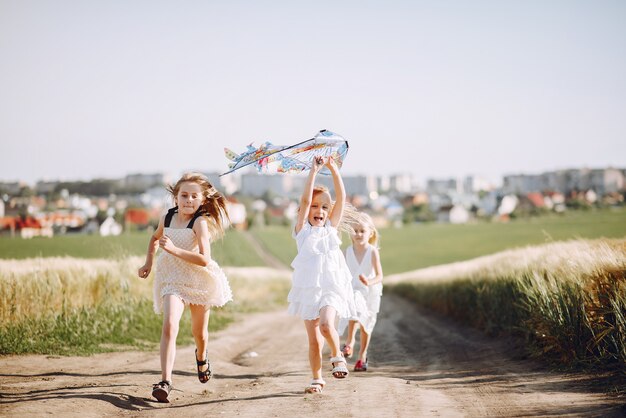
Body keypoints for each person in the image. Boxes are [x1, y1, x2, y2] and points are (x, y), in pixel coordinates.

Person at [138, 172, 232, 403]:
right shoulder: (167, 218)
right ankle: (165, 381)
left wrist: (173, 250)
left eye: (194, 196)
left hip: (198, 279)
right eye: (184, 195)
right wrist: (148, 262)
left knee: (199, 334)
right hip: (172, 278)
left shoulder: (200, 223)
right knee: (170, 324)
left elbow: (204, 259)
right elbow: (154, 238)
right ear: (176, 197)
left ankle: (201, 357)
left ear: (202, 200)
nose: (188, 200)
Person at [287, 155, 357, 394]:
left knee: (327, 326)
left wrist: (333, 169)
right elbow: (305, 199)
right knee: (315, 340)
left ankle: (337, 356)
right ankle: (317, 379)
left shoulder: (331, 229)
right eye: (315, 207)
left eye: (325, 207)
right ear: (305, 211)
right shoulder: (302, 231)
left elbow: (342, 198)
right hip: (309, 289)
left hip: (331, 286)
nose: (320, 210)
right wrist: (314, 171)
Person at [339, 212, 383, 372]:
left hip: (370, 292)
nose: (358, 234)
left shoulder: (372, 251)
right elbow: (341, 273)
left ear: (370, 233)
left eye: (362, 231)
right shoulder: (347, 252)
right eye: (355, 230)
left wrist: (369, 281)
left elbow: (380, 275)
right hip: (353, 291)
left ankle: (362, 356)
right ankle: (349, 344)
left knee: (366, 325)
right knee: (354, 311)